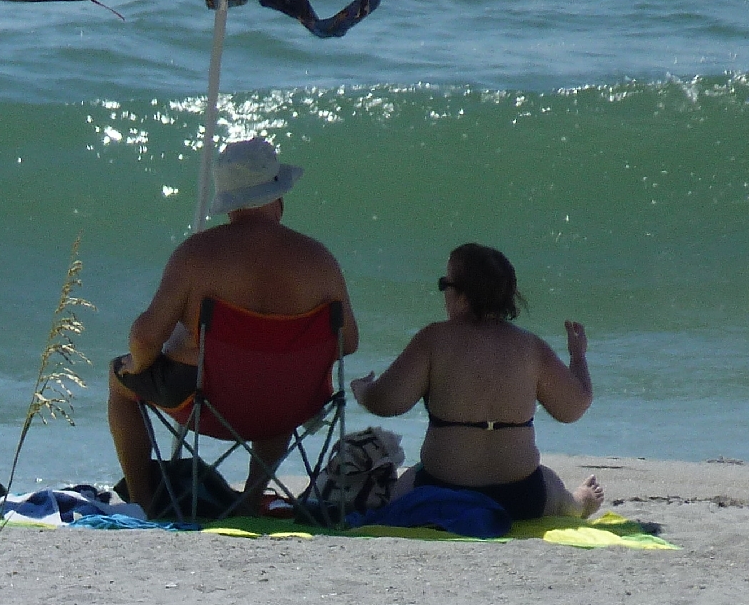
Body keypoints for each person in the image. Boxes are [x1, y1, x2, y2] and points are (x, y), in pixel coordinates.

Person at [108, 137, 359, 513]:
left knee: (119, 381)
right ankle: (252, 497)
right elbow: (348, 342)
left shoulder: (197, 255)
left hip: (209, 402)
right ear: (279, 195)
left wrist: (139, 366)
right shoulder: (320, 260)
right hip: (289, 405)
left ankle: (142, 501)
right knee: (278, 372)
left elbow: (145, 337)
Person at [350, 243, 603, 520]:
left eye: (444, 284)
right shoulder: (530, 347)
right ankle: (581, 502)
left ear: (463, 295)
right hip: (521, 496)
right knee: (552, 485)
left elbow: (387, 403)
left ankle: (579, 501)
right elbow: (573, 408)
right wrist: (578, 357)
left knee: (404, 484)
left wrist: (364, 392)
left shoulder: (434, 339)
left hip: (442, 490)